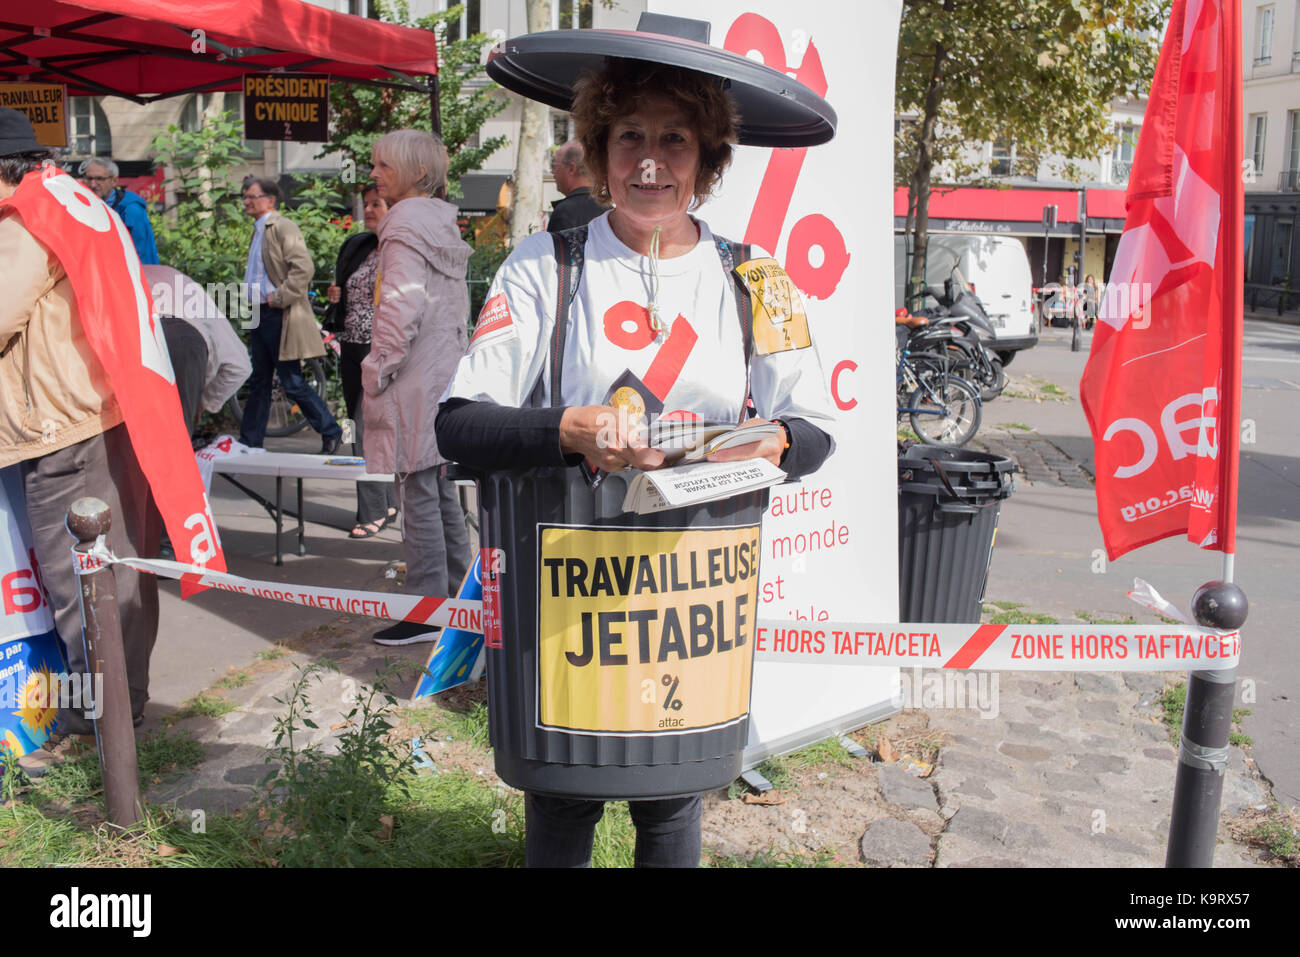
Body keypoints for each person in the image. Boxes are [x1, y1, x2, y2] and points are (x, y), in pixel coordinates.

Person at [436, 42, 835, 867]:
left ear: (710, 160)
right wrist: (568, 429)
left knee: (672, 796)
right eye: (629, 138)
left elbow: (814, 430)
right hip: (568, 593)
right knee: (561, 792)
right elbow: (459, 424)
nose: (651, 163)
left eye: (676, 141)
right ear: (596, 151)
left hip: (692, 590)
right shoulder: (545, 267)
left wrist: (767, 439)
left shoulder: (756, 278)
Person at [0, 110, 159, 775]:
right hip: (102, 407)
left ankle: (98, 729)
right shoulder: (71, 200)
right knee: (117, 575)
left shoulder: (22, 223)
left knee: (78, 584)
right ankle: (125, 710)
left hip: (58, 423)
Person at [361, 130, 472, 646]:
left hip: (410, 373)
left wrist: (378, 364)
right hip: (443, 368)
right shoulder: (440, 221)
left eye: (384, 165)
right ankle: (459, 602)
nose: (375, 174)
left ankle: (428, 610)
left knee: (418, 491)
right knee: (440, 488)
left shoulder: (402, 222)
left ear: (415, 172)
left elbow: (398, 305)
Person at [237, 178, 343, 454]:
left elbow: (303, 268)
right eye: (244, 196)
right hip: (260, 313)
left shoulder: (283, 227)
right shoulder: (259, 229)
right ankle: (249, 442)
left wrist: (279, 297)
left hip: (278, 314)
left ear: (270, 200)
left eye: (251, 196)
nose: (246, 201)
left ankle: (331, 431)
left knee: (291, 381)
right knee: (260, 380)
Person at [326, 185, 399, 539]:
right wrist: (336, 295)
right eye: (366, 204)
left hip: (383, 350)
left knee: (365, 426)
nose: (369, 210)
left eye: (377, 204)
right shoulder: (357, 245)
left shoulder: (400, 248)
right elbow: (344, 290)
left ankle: (372, 510)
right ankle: (387, 501)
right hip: (352, 347)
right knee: (362, 427)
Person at [143, 263, 252, 434]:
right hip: (187, 343)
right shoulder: (178, 279)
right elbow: (240, 366)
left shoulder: (119, 275)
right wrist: (204, 401)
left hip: (140, 341)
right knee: (178, 440)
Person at [80, 157, 159, 265]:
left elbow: (140, 254)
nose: (93, 184)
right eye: (89, 178)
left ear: (114, 181)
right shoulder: (87, 205)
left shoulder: (131, 210)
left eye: (99, 179)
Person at [547, 140, 606, 233]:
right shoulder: (610, 211)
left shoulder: (565, 213)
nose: (552, 172)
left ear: (571, 169)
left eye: (554, 165)